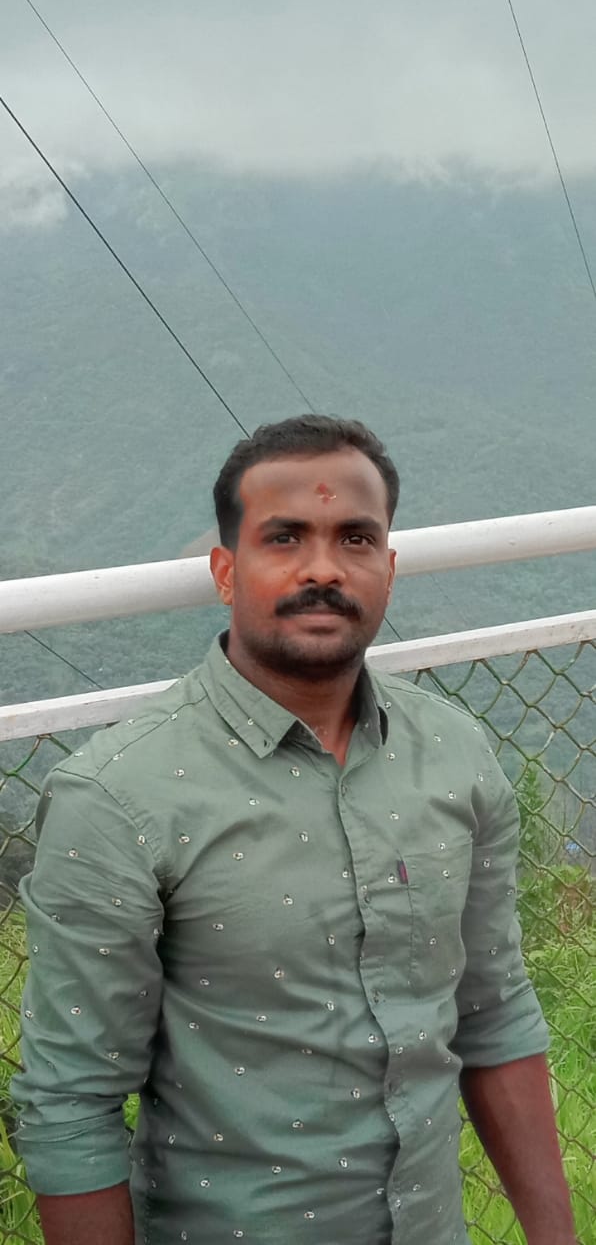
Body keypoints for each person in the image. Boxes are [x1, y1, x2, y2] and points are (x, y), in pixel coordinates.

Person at [13, 416, 575, 1245]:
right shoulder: (118, 798)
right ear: (226, 572)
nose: (323, 569)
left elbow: (494, 1013)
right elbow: (71, 1103)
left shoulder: (455, 756)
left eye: (355, 539)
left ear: (388, 569)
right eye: (284, 538)